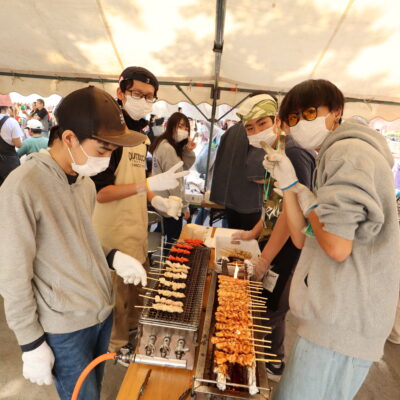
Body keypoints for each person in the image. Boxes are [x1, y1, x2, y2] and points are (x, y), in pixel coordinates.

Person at [0, 86, 151, 400]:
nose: (107, 161)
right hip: (65, 325)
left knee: (94, 389)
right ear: (69, 138)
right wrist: (30, 342)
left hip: (100, 312)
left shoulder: (84, 183)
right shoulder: (23, 186)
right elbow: (12, 272)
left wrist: (112, 256)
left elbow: (81, 240)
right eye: (102, 150)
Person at [262, 79, 400, 400]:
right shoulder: (333, 154)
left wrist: (303, 195)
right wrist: (291, 188)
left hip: (342, 323)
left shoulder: (347, 153)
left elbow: (337, 247)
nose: (301, 122)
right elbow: (303, 238)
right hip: (332, 319)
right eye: (294, 118)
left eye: (310, 112)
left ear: (336, 111)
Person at [91, 67, 187, 355]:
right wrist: (146, 185)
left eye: (149, 97)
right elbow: (101, 193)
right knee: (117, 305)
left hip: (137, 234)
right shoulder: (108, 134)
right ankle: (115, 350)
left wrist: (157, 200)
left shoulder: (141, 136)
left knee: (135, 302)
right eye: (137, 94)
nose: (144, 101)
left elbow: (136, 181)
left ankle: (132, 340)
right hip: (112, 238)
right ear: (120, 93)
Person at [232, 118, 316, 381]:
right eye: (249, 128)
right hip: (276, 243)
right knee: (269, 305)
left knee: (270, 309)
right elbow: (274, 205)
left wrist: (266, 258)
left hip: (290, 249)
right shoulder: (275, 152)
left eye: (262, 123)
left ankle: (264, 366)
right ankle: (274, 360)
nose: (256, 132)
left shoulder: (294, 154)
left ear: (277, 121)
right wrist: (254, 233)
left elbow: (292, 213)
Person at [210, 94, 277, 230]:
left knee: (234, 238)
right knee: (249, 241)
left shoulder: (231, 130)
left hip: (230, 200)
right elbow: (257, 175)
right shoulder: (259, 134)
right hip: (250, 202)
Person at [150, 112, 196, 245]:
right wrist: (184, 207)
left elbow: (183, 167)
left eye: (186, 127)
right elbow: (175, 182)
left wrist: (187, 150)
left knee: (161, 234)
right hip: (171, 205)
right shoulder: (168, 148)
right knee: (172, 244)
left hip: (163, 201)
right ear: (171, 125)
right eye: (180, 126)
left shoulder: (164, 144)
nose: (184, 130)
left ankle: (151, 254)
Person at [0, 94, 23, 185]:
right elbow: (18, 144)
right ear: (7, 107)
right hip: (8, 162)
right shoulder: (11, 122)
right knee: (10, 186)